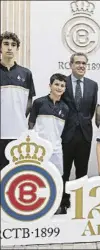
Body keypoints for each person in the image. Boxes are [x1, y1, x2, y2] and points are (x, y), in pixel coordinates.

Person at [59, 52, 98, 214]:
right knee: (64, 171)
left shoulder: (92, 85)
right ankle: (63, 202)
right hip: (66, 134)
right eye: (78, 63)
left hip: (84, 134)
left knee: (82, 171)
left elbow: (91, 109)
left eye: (84, 63)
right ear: (71, 65)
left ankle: (80, 203)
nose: (81, 66)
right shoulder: (63, 83)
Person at [0, 31, 36, 170]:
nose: (10, 48)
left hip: (18, 133)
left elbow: (29, 102)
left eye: (13, 45)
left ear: (17, 48)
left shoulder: (26, 73)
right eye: (6, 44)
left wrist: (19, 118)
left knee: (14, 172)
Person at [28, 73, 69, 175]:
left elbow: (62, 131)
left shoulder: (65, 108)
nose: (59, 88)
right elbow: (31, 123)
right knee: (37, 176)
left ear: (65, 89)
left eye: (62, 86)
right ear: (50, 86)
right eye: (56, 84)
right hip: (38, 148)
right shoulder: (39, 102)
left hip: (56, 149)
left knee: (56, 177)